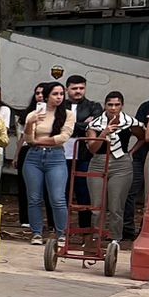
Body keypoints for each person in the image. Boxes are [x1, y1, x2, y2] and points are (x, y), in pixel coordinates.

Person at [84, 92, 144, 242]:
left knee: (116, 205)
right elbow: (92, 148)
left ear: (122, 106)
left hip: (120, 163)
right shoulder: (95, 123)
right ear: (105, 105)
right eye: (110, 104)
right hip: (98, 161)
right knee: (97, 206)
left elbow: (143, 137)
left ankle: (115, 238)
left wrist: (131, 152)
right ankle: (96, 237)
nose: (113, 108)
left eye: (117, 105)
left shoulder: (129, 122)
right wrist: (104, 133)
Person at [21, 81, 75, 246]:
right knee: (34, 198)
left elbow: (63, 137)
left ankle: (61, 234)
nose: (59, 97)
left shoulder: (68, 114)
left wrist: (40, 140)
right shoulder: (35, 113)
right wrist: (30, 123)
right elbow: (28, 140)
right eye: (55, 94)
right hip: (33, 157)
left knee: (58, 198)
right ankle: (37, 233)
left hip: (56, 157)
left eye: (61, 94)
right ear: (46, 96)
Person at [64, 76, 103, 230]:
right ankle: (61, 228)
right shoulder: (61, 105)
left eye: (81, 88)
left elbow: (95, 125)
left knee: (84, 192)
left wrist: (69, 126)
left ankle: (85, 228)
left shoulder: (94, 106)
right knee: (62, 192)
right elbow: (56, 123)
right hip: (62, 152)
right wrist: (82, 124)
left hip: (84, 153)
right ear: (67, 89)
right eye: (74, 88)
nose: (78, 91)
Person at [14, 83, 48, 229]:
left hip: (46, 149)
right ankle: (25, 218)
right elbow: (22, 137)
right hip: (28, 149)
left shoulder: (55, 113)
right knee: (24, 186)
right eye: (37, 93)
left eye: (43, 93)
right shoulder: (27, 113)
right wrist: (16, 155)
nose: (40, 96)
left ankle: (48, 221)